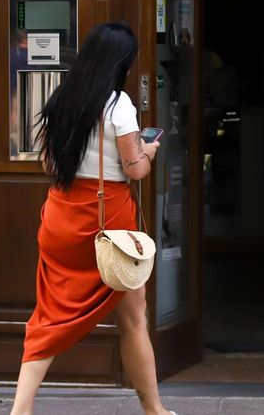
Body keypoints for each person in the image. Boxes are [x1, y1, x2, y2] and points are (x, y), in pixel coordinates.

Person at [11, 22, 177, 415]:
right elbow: (134, 169)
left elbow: (50, 163)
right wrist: (149, 150)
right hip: (108, 222)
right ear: (120, 62)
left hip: (61, 218)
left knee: (48, 316)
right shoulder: (118, 104)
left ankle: (20, 409)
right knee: (134, 317)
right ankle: (153, 409)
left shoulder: (61, 97)